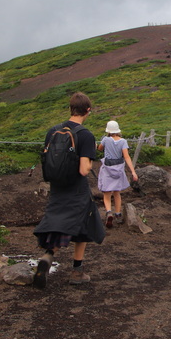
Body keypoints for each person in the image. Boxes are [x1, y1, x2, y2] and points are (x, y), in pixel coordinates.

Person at [32, 92, 106, 288]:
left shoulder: (53, 131)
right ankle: (77, 270)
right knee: (84, 223)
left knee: (59, 220)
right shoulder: (85, 135)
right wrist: (90, 162)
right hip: (77, 189)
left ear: (71, 108)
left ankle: (48, 255)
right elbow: (84, 169)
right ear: (88, 110)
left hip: (57, 186)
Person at [97, 120, 138, 228]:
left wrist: (97, 145)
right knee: (117, 193)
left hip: (107, 169)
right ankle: (118, 214)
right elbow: (126, 157)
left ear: (108, 130)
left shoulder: (105, 139)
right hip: (118, 169)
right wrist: (133, 172)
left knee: (107, 193)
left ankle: (109, 212)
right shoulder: (123, 141)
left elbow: (100, 149)